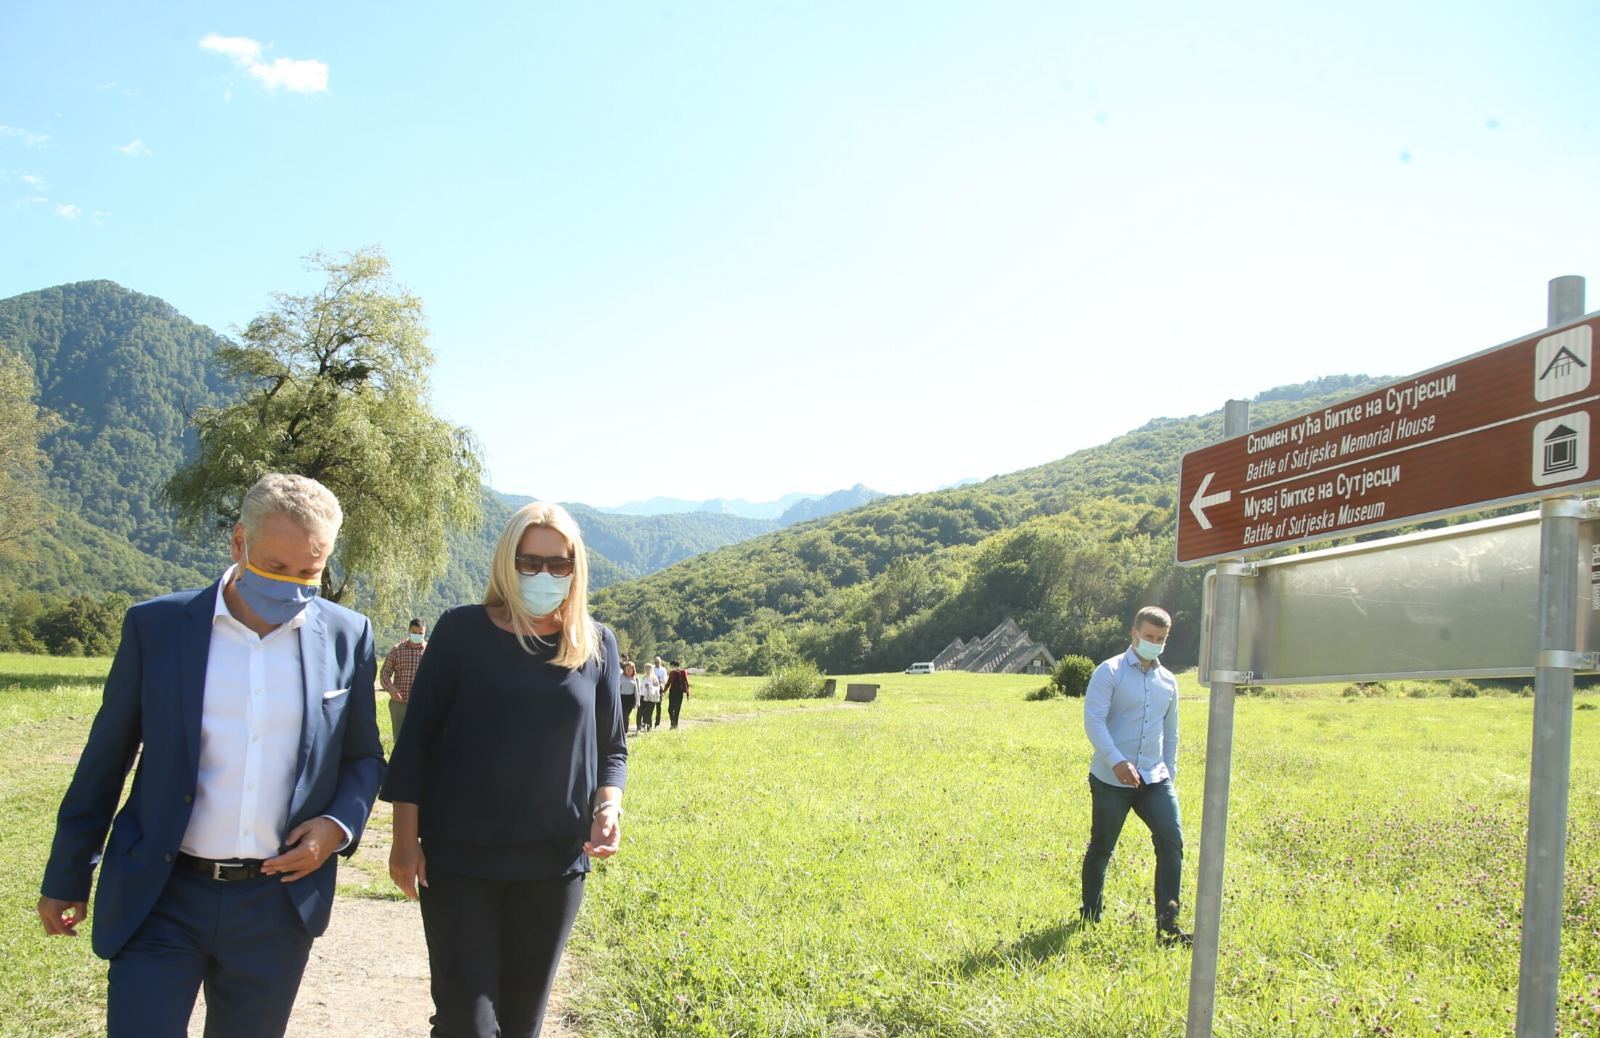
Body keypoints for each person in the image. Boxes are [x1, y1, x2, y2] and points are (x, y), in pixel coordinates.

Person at [36, 473, 385, 1037]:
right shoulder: (157, 627)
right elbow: (106, 757)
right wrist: (67, 873)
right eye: (276, 566)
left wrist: (336, 827)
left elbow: (364, 757)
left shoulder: (349, 635)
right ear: (239, 542)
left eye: (309, 573)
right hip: (162, 892)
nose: (292, 586)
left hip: (276, 906)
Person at [383, 501, 627, 1038]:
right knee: (465, 1024)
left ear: (576, 568)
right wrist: (404, 841)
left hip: (553, 866)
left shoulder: (595, 644)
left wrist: (609, 805)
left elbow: (612, 747)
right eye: (529, 561)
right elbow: (416, 740)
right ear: (506, 562)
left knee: (521, 1025)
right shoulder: (460, 631)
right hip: (459, 862)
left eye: (558, 564)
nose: (543, 574)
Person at [1079, 605, 1190, 947]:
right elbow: (1094, 721)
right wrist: (1116, 761)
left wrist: (1169, 774)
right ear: (1134, 633)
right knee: (1102, 847)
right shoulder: (1109, 672)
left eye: (1161, 639)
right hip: (1111, 779)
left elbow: (1171, 733)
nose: (1154, 643)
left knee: (1172, 842)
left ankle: (1168, 927)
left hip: (1154, 779)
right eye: (1149, 636)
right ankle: (1091, 915)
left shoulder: (1168, 681)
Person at [381, 618, 428, 741]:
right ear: (409, 631)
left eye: (420, 633)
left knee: (421, 740)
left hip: (422, 704)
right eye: (414, 632)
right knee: (399, 740)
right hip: (400, 704)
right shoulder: (397, 650)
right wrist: (390, 688)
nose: (417, 635)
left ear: (425, 632)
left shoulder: (431, 651)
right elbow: (385, 672)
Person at [664, 659, 690, 729]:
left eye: (671, 666)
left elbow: (686, 682)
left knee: (676, 709)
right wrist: (664, 691)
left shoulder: (683, 672)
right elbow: (668, 682)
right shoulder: (673, 672)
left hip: (679, 692)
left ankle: (675, 725)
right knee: (670, 709)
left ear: (673, 665)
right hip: (673, 692)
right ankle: (673, 723)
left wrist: (688, 693)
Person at [638, 662, 662, 731]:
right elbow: (642, 686)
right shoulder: (644, 677)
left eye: (648, 668)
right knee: (642, 712)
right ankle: (641, 726)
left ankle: (649, 728)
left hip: (651, 698)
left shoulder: (654, 678)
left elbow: (657, 687)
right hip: (643, 697)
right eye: (645, 668)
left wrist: (650, 687)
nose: (646, 670)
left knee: (649, 713)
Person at [618, 660, 639, 734]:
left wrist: (637, 702)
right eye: (627, 669)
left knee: (625, 714)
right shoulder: (621, 677)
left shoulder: (635, 678)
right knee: (623, 715)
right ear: (625, 669)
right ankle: (622, 730)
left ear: (633, 670)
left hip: (631, 699)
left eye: (630, 669)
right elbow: (617, 689)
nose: (628, 670)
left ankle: (625, 731)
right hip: (622, 698)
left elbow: (637, 691)